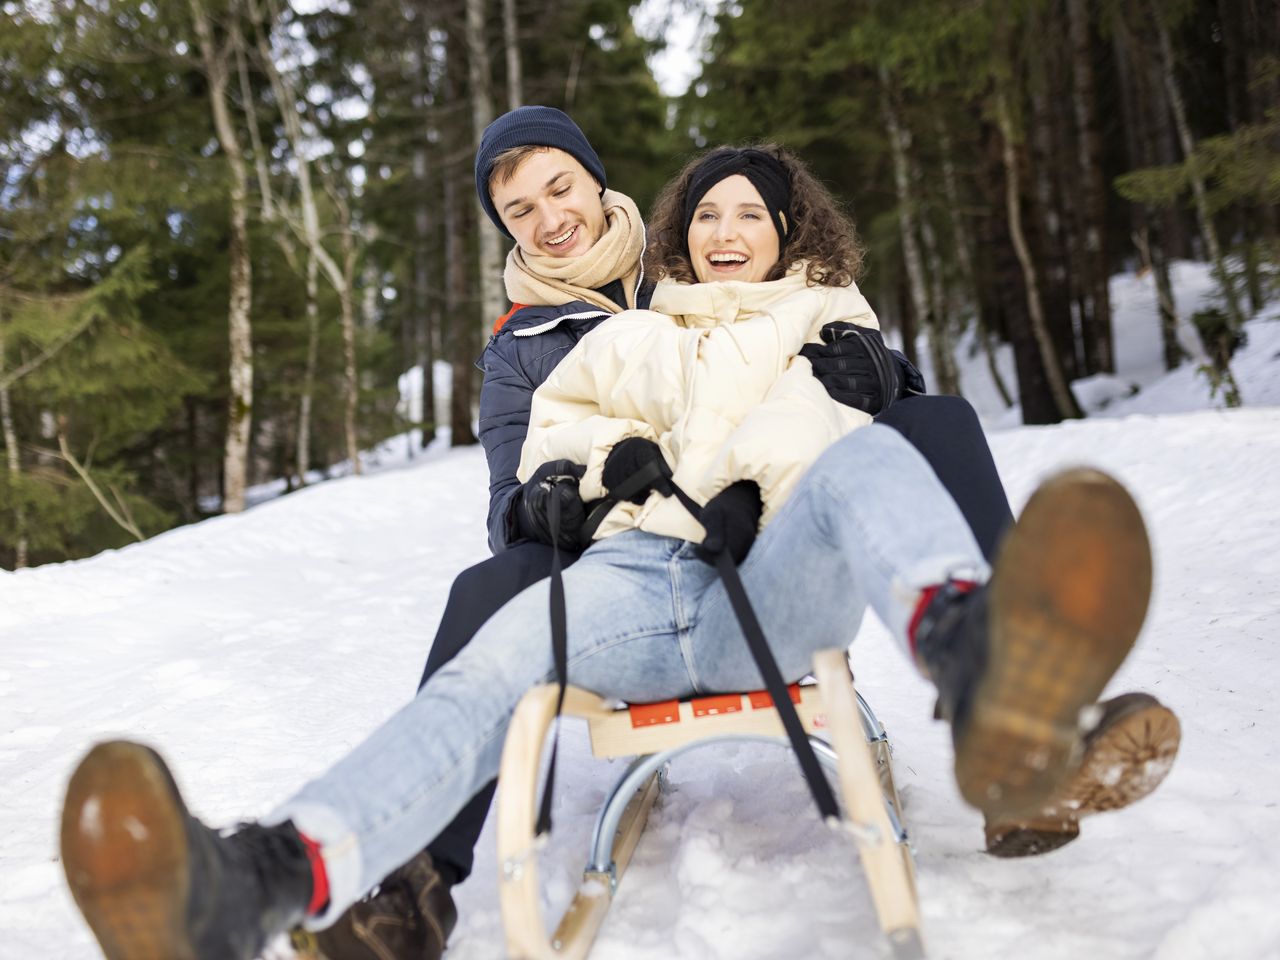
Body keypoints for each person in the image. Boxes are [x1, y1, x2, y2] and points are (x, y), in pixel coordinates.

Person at [59, 143, 1168, 960]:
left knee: (874, 464)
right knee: (480, 671)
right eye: (711, 215)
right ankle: (253, 884)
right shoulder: (625, 332)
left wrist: (774, 466)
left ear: (789, 237)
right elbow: (563, 428)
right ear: (678, 236)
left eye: (752, 215)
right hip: (627, 582)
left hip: (767, 586)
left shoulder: (821, 323)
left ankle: (992, 683)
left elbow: (830, 448)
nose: (728, 232)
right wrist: (573, 486)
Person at [302, 106, 1049, 960]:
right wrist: (542, 501)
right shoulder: (518, 349)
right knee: (488, 586)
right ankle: (413, 886)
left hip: (757, 522)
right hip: (611, 549)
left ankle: (1017, 709)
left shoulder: (687, 271)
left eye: (560, 189)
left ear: (595, 179)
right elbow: (506, 494)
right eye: (520, 211)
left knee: (939, 421)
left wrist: (889, 376)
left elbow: (799, 352)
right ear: (502, 226)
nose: (550, 220)